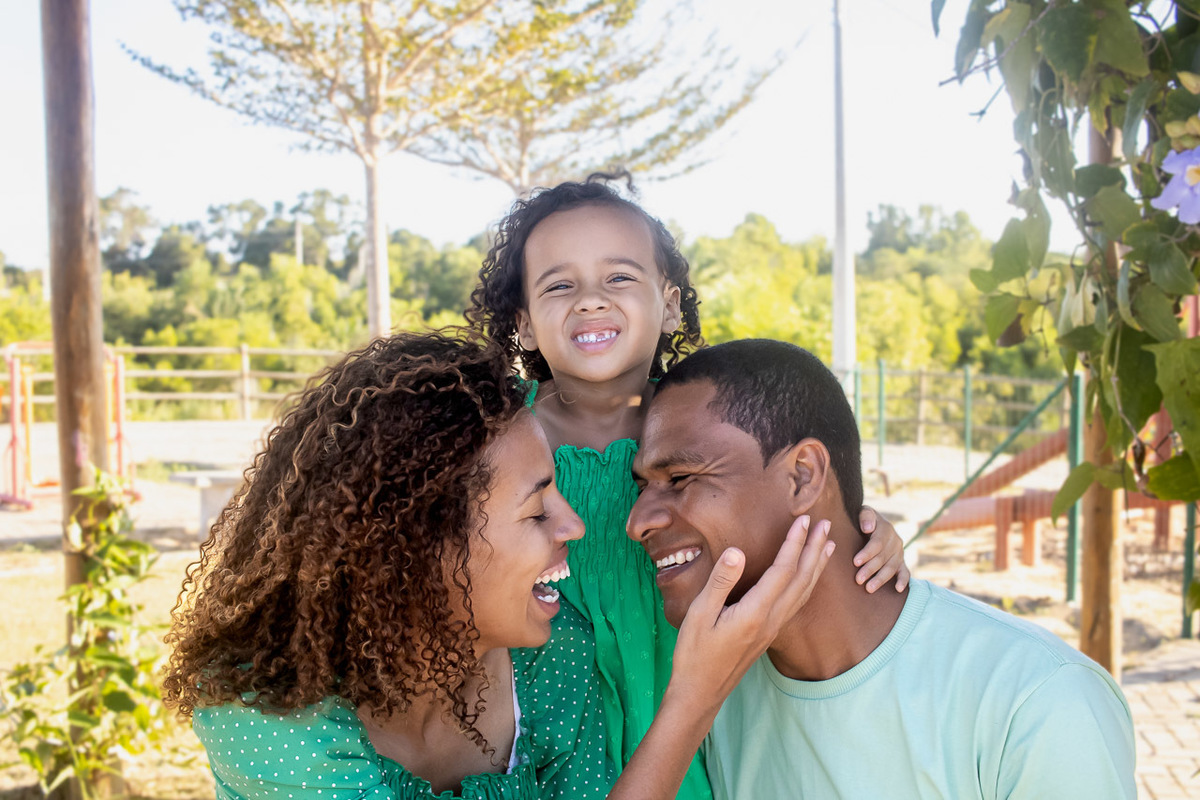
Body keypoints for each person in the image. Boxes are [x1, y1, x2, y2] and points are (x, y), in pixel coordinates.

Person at [160, 330, 837, 800]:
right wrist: (693, 699)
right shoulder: (270, 717)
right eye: (537, 508)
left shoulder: (553, 659)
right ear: (420, 548)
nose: (572, 525)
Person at [467, 173, 910, 798]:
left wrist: (868, 530)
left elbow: (795, 501)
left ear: (670, 303)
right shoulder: (498, 439)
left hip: (703, 720)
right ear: (526, 324)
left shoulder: (707, 436)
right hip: (545, 731)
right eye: (560, 285)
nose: (590, 299)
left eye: (618, 277)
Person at [626, 338, 1139, 799]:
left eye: (680, 476)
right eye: (643, 486)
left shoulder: (1036, 700)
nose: (637, 521)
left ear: (803, 477)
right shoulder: (713, 685)